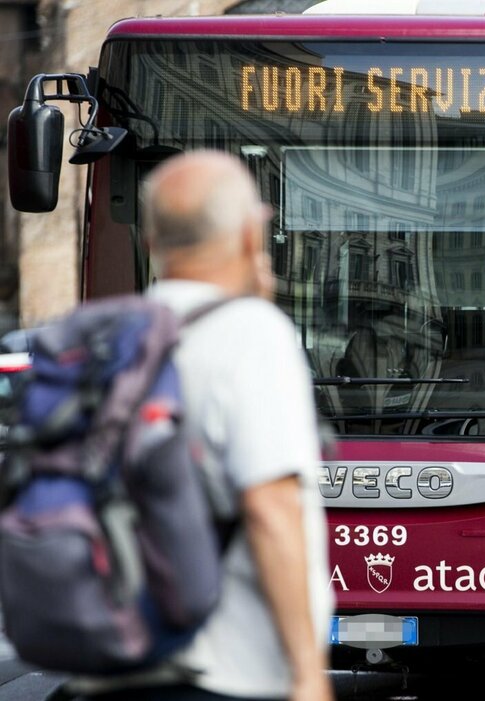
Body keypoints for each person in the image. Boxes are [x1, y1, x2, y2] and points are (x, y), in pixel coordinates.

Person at [76, 151, 334, 700]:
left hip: (118, 665)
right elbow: (271, 509)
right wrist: (309, 675)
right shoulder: (251, 335)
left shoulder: (111, 338)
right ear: (248, 236)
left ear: (149, 243)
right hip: (222, 674)